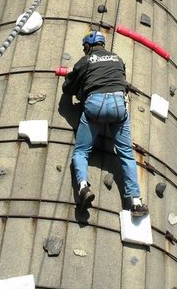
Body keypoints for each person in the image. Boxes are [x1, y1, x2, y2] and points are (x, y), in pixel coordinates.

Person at [62, 30, 148, 216]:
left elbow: (68, 88)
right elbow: (120, 79)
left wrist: (71, 78)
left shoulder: (86, 61)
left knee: (81, 151)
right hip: (118, 105)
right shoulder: (117, 59)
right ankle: (135, 202)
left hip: (95, 105)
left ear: (87, 46)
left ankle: (83, 187)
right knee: (126, 153)